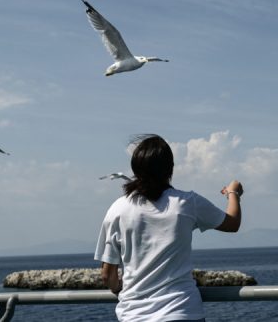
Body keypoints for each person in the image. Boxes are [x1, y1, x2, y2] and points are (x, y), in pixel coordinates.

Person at [95, 134, 243, 322]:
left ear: (135, 169)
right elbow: (232, 223)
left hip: (134, 316)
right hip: (183, 312)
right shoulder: (186, 203)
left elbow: (108, 276)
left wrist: (119, 289)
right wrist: (233, 192)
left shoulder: (117, 209)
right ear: (170, 169)